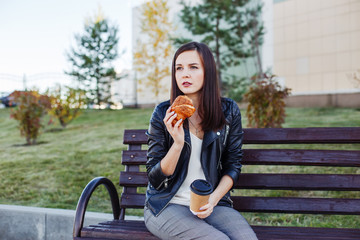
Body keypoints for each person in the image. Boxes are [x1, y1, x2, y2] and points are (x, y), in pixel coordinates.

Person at [144, 41, 258, 240]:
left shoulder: (228, 111)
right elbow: (155, 178)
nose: (184, 74)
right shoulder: (163, 113)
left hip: (211, 203)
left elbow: (233, 165)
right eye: (179, 68)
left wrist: (213, 200)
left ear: (208, 72)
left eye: (193, 67)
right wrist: (178, 144)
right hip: (166, 204)